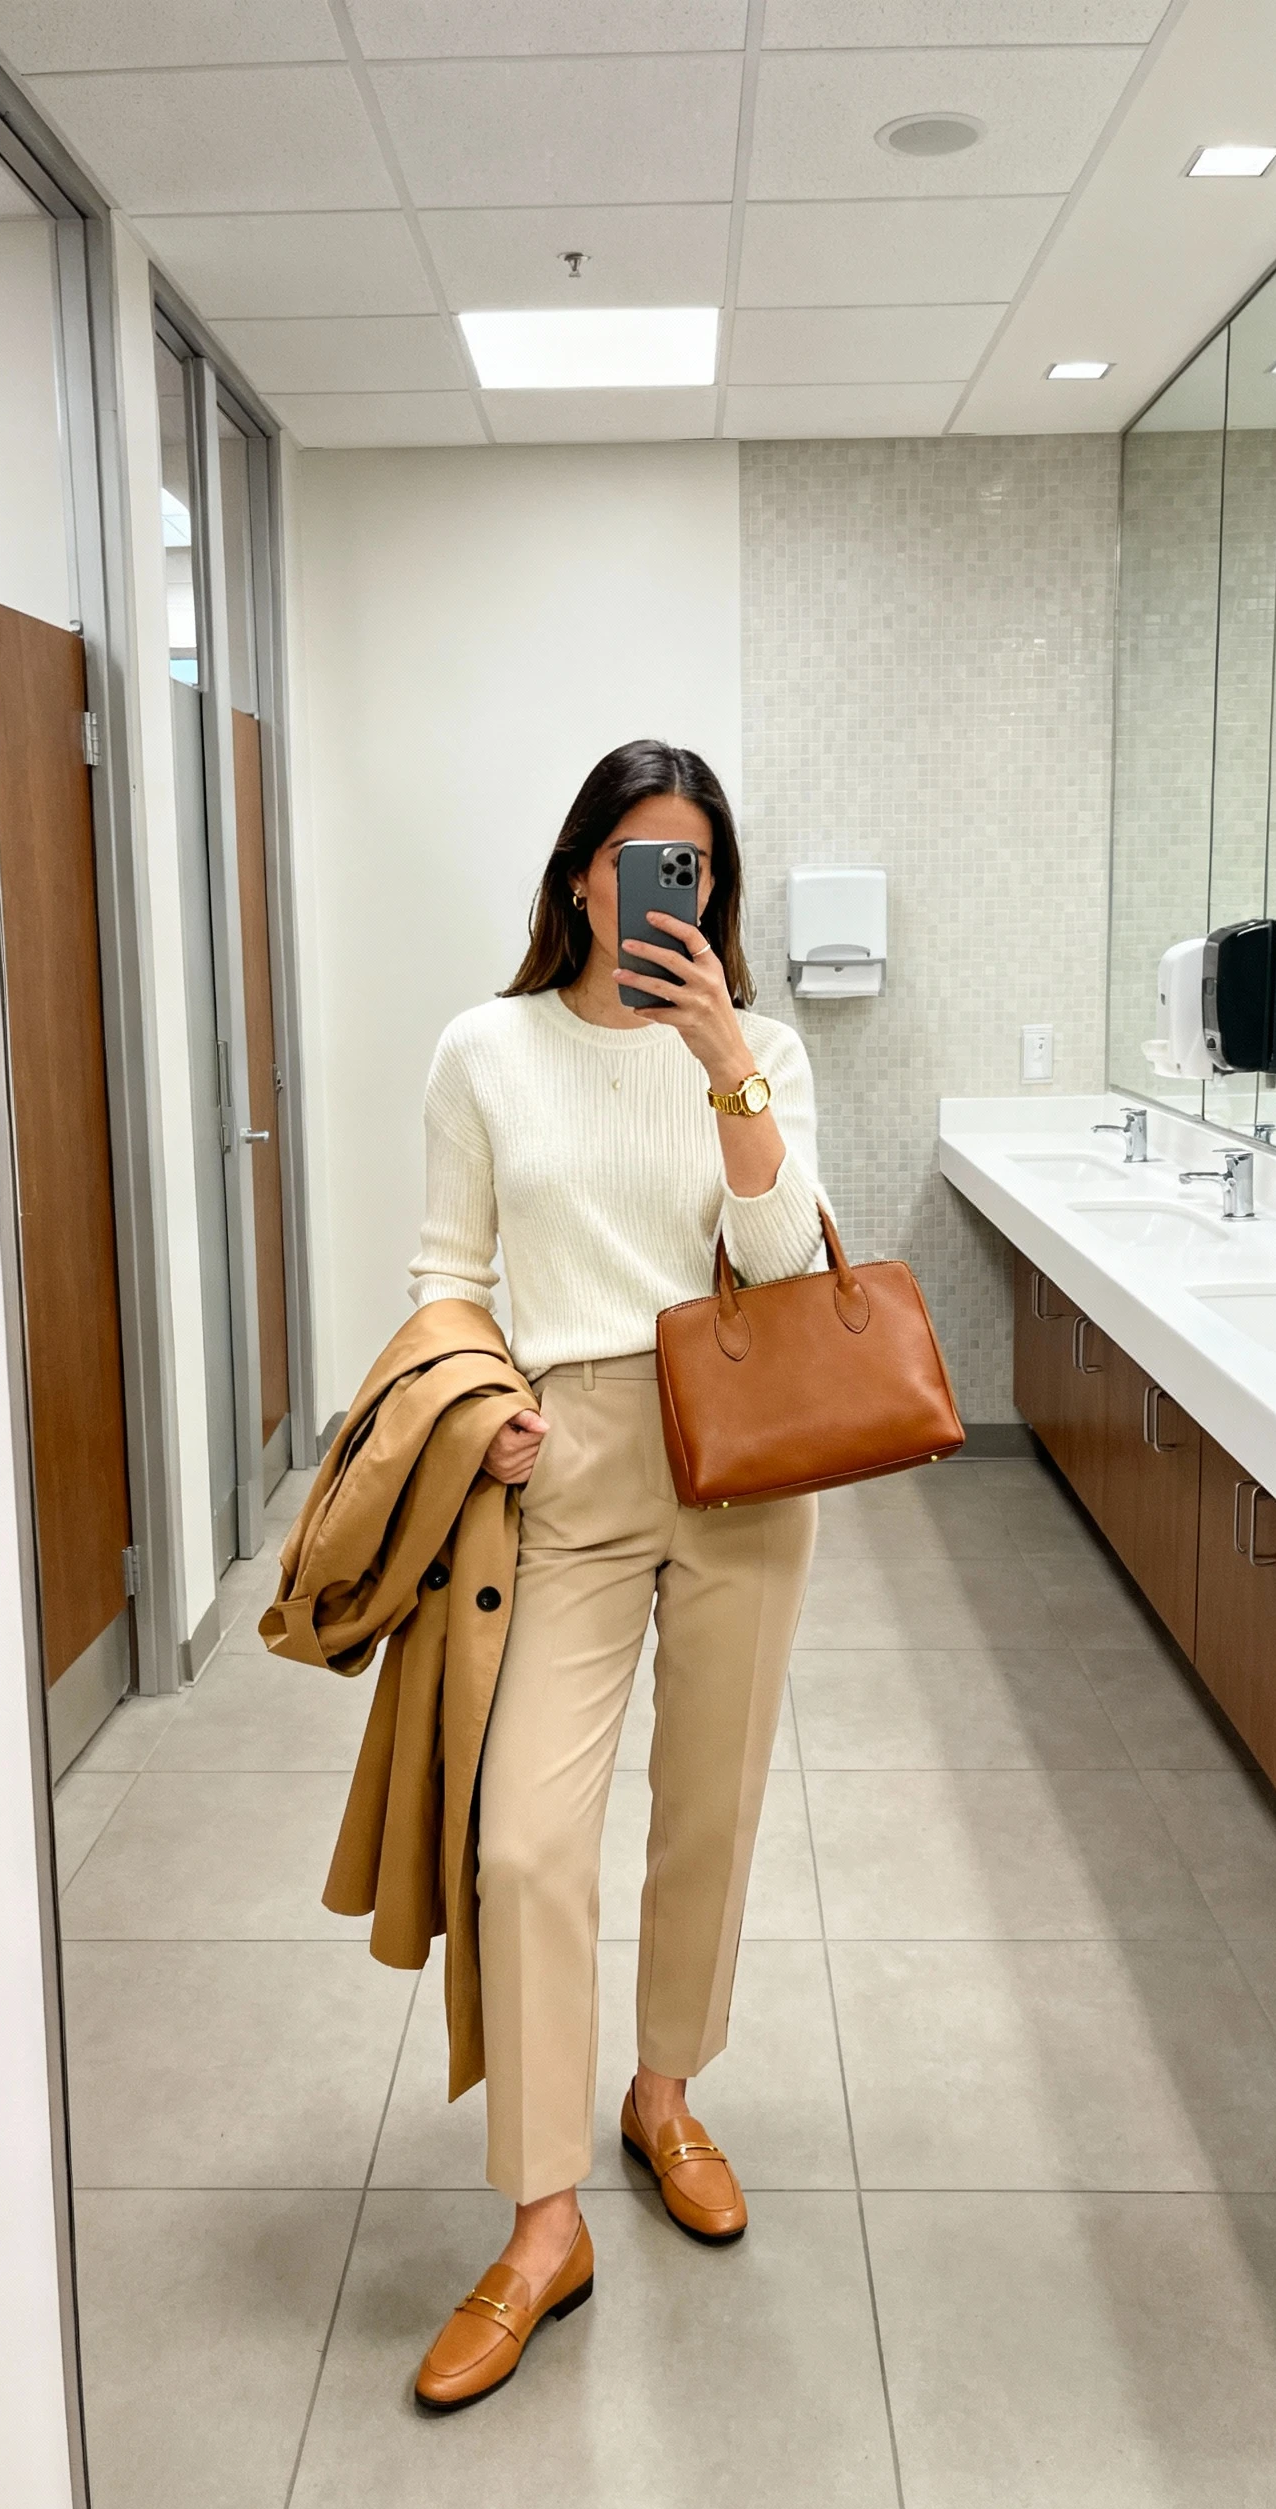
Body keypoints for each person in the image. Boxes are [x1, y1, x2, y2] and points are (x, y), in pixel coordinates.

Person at [408, 738, 825, 2412]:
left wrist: (725, 1056)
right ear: (581, 872)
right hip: (565, 1462)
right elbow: (447, 1273)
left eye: (699, 872)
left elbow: (786, 1257)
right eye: (643, 862)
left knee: (709, 1809)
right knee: (524, 1844)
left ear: (715, 893)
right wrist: (488, 1401)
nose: (671, 893)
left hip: (742, 1452)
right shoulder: (484, 1051)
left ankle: (661, 2096)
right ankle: (541, 2224)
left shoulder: (764, 1044)